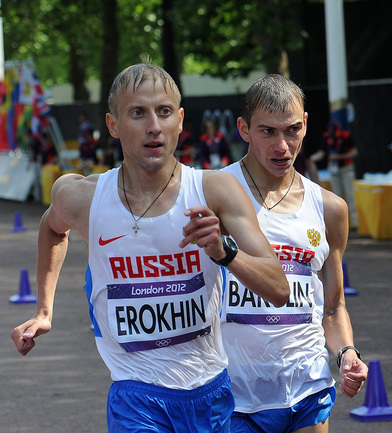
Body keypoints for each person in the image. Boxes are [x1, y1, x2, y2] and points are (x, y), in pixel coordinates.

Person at [10, 63, 290, 433]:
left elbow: (279, 289)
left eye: (164, 111)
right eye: (138, 113)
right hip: (135, 394)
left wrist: (225, 252)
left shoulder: (214, 190)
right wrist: (44, 310)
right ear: (113, 125)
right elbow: (51, 228)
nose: (154, 126)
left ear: (180, 120)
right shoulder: (81, 197)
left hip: (208, 390)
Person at [220, 74, 368, 433]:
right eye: (267, 132)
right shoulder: (214, 195)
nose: (282, 146)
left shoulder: (330, 208)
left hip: (307, 386)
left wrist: (347, 353)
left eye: (291, 130)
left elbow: (332, 307)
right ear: (244, 129)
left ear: (305, 125)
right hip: (235, 396)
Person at [312, 120, 358, 229]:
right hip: (333, 170)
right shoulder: (326, 137)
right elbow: (321, 153)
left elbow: (354, 152)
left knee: (351, 196)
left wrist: (340, 157)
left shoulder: (345, 135)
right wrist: (310, 159)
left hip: (346, 168)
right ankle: (341, 226)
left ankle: (355, 224)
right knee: (337, 196)